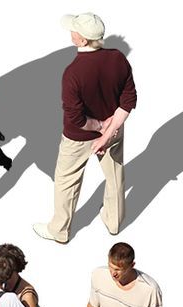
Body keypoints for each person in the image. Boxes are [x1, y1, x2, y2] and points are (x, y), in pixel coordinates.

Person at [33, 13, 136, 243]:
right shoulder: (118, 58)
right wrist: (108, 132)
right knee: (115, 175)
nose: (71, 32)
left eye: (74, 30)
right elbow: (128, 101)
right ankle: (113, 222)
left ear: (81, 40)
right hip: (115, 129)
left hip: (78, 136)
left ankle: (59, 231)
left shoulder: (73, 73)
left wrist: (100, 130)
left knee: (66, 180)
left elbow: (76, 118)